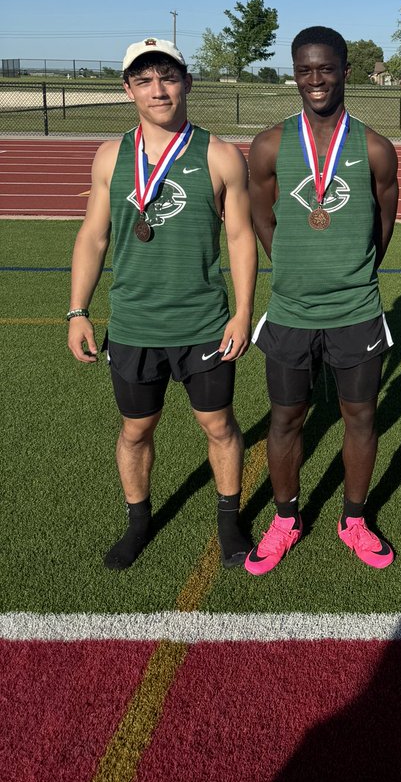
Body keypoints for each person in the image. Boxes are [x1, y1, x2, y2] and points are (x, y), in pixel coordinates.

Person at [67, 38, 258, 571]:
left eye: (168, 77)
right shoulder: (111, 155)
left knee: (218, 425)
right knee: (135, 429)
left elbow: (241, 238)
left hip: (203, 324)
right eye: (145, 80)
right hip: (133, 325)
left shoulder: (219, 154)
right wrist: (78, 310)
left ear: (187, 82)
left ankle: (228, 521)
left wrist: (242, 312)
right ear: (128, 89)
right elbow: (93, 237)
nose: (159, 89)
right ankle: (137, 521)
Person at [245, 26, 398, 573]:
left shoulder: (375, 147)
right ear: (294, 72)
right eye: (305, 70)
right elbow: (262, 219)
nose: (316, 80)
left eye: (326, 69)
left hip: (356, 312)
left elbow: (384, 222)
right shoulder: (269, 144)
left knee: (361, 418)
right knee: (285, 421)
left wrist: (352, 272)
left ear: (345, 72)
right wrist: (292, 265)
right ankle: (287, 518)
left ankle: (353, 519)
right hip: (290, 312)